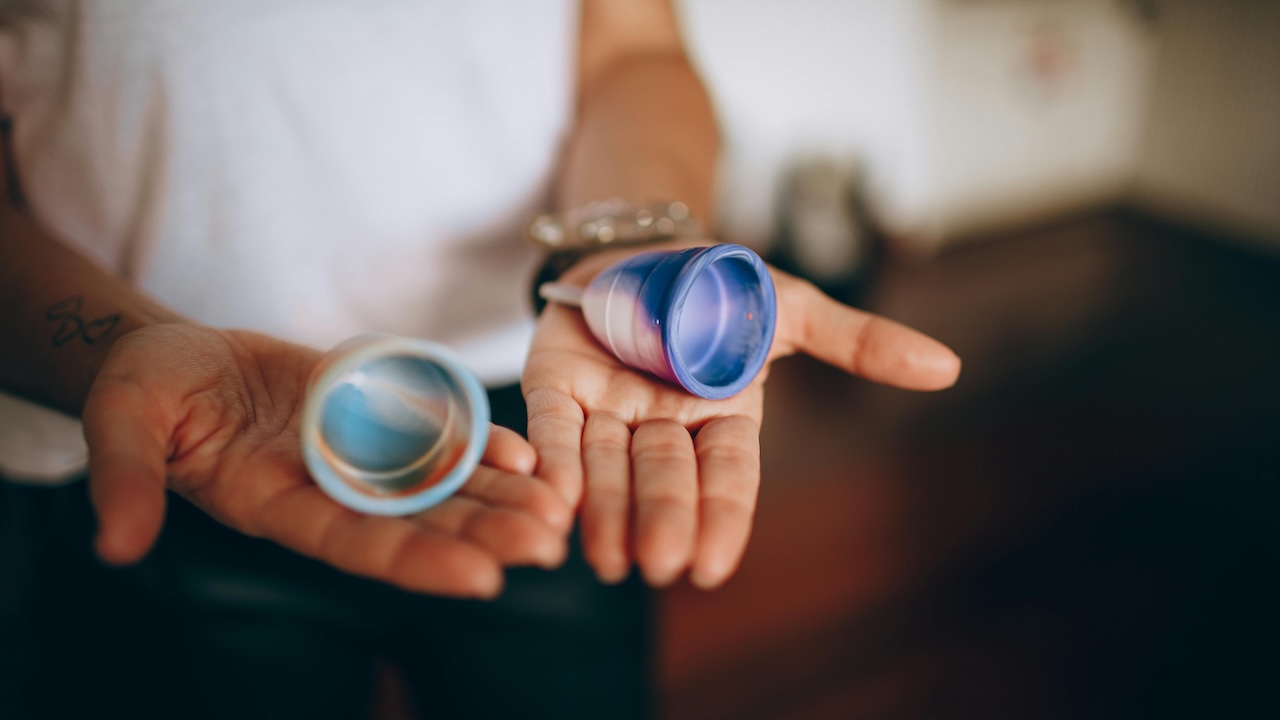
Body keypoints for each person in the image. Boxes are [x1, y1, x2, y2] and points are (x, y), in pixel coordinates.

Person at [0, 0, 960, 717]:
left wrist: (626, 249)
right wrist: (117, 346)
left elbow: (633, 48)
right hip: (173, 437)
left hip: (552, 422)